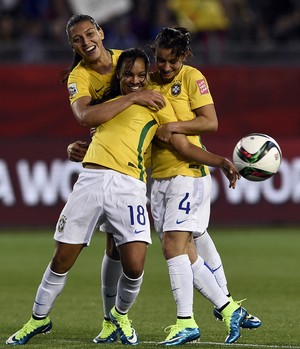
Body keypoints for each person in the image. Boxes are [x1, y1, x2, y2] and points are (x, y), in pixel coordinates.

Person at [6, 45, 240, 347]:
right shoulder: (107, 100)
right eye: (128, 74)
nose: (135, 80)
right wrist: (74, 149)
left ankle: (119, 315)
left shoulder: (157, 104)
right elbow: (90, 122)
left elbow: (182, 145)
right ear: (120, 75)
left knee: (134, 265)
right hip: (91, 181)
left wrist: (219, 160)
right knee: (61, 258)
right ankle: (38, 319)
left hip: (129, 187)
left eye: (141, 75)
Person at [66, 20, 260, 345]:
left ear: (184, 56)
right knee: (190, 246)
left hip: (187, 172)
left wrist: (180, 129)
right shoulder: (147, 83)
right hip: (157, 180)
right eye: (162, 60)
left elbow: (209, 123)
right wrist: (91, 144)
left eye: (174, 60)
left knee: (175, 246)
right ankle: (228, 308)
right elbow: (122, 124)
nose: (167, 67)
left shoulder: (191, 77)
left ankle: (189, 320)